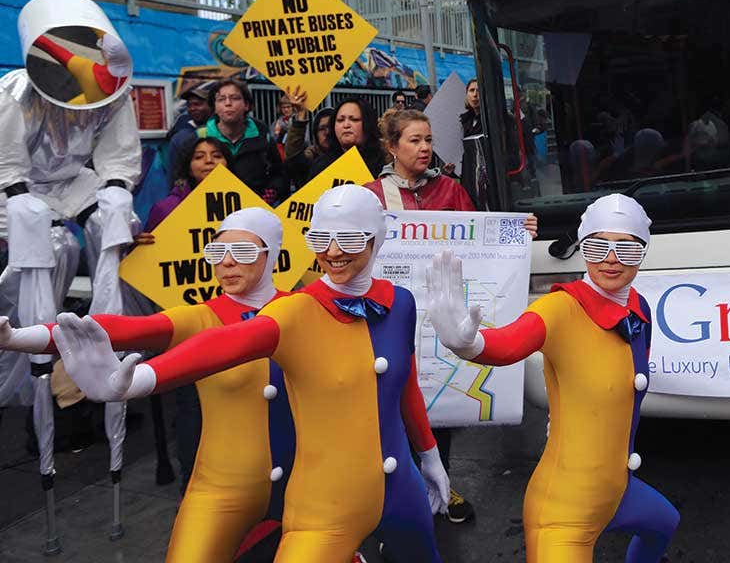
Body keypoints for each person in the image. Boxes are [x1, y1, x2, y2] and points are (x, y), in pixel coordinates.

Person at [55, 185, 449, 562]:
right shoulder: (297, 309)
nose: (331, 252)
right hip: (326, 503)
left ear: (377, 237)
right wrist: (140, 379)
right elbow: (225, 343)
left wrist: (429, 455)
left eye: (348, 238)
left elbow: (406, 387)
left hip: (403, 489)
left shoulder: (400, 302)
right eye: (319, 238)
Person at [5, 208, 293, 562]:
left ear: (272, 254)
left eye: (244, 252)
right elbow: (125, 328)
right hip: (222, 485)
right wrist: (19, 337)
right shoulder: (201, 316)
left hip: (302, 481)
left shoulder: (302, 310)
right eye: (217, 252)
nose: (227, 262)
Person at [427, 194, 679, 561]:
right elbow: (509, 343)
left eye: (627, 249)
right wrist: (469, 344)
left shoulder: (638, 308)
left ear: (643, 253)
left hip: (619, 493)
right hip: (563, 512)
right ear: (582, 247)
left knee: (664, 523)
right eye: (597, 246)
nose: (611, 259)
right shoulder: (561, 308)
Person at [0, 0, 142, 520]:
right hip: (18, 189)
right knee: (50, 245)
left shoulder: (114, 94)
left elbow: (118, 155)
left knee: (111, 222)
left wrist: (116, 190)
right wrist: (19, 199)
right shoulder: (13, 93)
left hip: (74, 182)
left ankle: (112, 336)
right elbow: (8, 162)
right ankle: (35, 350)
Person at [368, 108, 536, 525]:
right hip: (387, 318)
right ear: (391, 147)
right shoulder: (371, 197)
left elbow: (483, 239)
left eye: (428, 139)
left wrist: (518, 232)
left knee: (436, 402)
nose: (425, 148)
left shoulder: (451, 190)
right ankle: (392, 495)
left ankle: (440, 485)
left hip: (438, 320)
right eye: (414, 140)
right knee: (390, 405)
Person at [134, 135, 232, 488]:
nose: (208, 161)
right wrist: (139, 246)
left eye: (216, 155)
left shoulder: (244, 207)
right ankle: (194, 482)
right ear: (187, 165)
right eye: (199, 156)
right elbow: (146, 265)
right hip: (190, 327)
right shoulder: (166, 209)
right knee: (191, 406)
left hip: (233, 323)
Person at [197, 78, 288, 204]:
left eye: (235, 98)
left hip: (255, 210)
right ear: (215, 107)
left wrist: (270, 194)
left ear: (246, 105)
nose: (228, 103)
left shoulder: (263, 136)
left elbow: (279, 174)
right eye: (221, 99)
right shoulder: (200, 138)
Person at [298, 92, 388, 180]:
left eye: (354, 119)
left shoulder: (386, 164)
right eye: (340, 120)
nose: (346, 125)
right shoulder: (321, 166)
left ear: (368, 124)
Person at [282, 90, 335, 190]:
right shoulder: (310, 158)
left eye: (331, 127)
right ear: (315, 134)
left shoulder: (352, 157)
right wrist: (301, 116)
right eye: (322, 129)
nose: (327, 132)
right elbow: (293, 155)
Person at [165, 82, 214, 174]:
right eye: (189, 105)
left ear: (211, 106)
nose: (192, 108)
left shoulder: (222, 129)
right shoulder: (181, 127)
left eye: (197, 104)